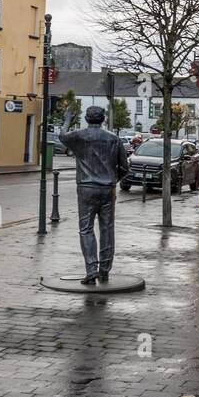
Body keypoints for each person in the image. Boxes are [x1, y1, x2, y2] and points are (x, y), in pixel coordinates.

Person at [61, 106, 129, 286]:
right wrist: (113, 180)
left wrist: (67, 119)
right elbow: (125, 167)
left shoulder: (80, 135)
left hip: (86, 188)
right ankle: (104, 270)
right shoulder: (114, 139)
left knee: (86, 228)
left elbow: (62, 136)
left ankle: (91, 269)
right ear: (103, 119)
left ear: (86, 118)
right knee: (107, 228)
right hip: (107, 189)